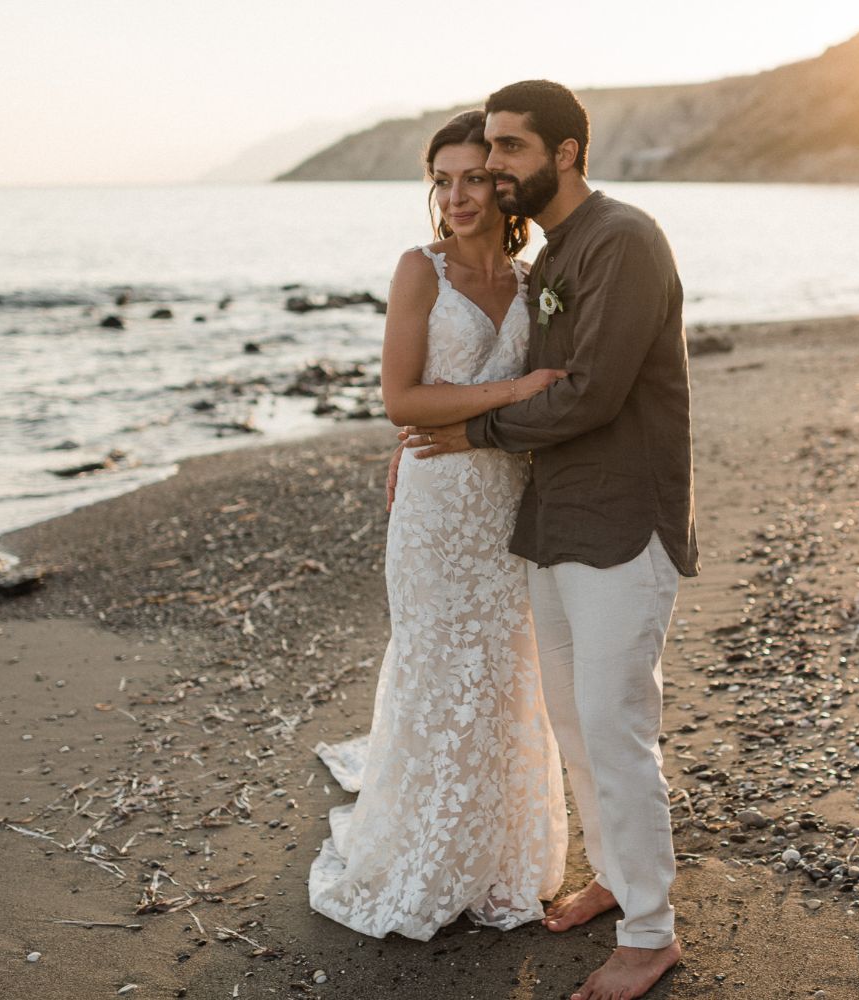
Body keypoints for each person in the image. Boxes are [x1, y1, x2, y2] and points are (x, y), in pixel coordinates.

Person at [404, 80, 699, 1000]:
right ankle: (617, 877)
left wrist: (470, 435)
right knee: (574, 720)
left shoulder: (624, 239)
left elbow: (589, 393)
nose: (492, 169)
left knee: (617, 727)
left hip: (623, 523)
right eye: (486, 151)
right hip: (553, 525)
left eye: (510, 150)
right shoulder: (559, 251)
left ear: (566, 152)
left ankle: (651, 936)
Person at [308, 109, 570, 940]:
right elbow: (401, 401)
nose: (455, 196)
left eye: (472, 178)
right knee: (435, 665)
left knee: (505, 672)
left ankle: (500, 854)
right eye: (442, 180)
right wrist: (510, 393)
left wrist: (526, 404)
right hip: (434, 507)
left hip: (507, 504)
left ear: (503, 184)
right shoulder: (419, 270)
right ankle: (421, 849)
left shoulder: (537, 278)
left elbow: (563, 383)